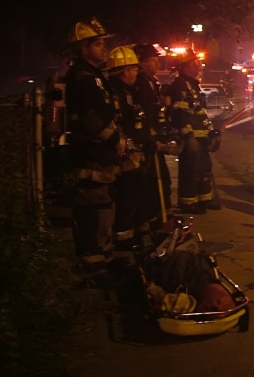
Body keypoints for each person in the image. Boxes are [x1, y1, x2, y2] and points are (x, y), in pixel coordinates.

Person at [62, 18, 123, 283]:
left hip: (100, 154)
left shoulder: (95, 76)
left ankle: (104, 259)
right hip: (89, 154)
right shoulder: (82, 76)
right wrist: (114, 139)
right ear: (84, 49)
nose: (103, 48)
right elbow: (89, 116)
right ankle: (92, 267)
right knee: (92, 210)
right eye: (98, 44)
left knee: (104, 207)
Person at [106, 46, 155, 249]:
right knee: (126, 195)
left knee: (138, 193)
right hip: (125, 155)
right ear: (125, 71)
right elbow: (118, 122)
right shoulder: (115, 93)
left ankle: (135, 232)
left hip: (135, 152)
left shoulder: (129, 91)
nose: (136, 72)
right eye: (134, 69)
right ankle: (123, 237)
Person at [169, 48, 219, 214]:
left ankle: (204, 199)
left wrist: (210, 130)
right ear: (184, 67)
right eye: (194, 63)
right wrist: (188, 135)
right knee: (190, 170)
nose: (197, 65)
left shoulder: (193, 85)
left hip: (201, 136)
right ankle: (188, 202)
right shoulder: (179, 85)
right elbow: (179, 112)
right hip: (191, 137)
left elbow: (200, 112)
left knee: (204, 167)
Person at [134, 43, 173, 222]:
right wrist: (151, 137)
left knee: (161, 179)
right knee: (154, 180)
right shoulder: (142, 83)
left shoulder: (150, 82)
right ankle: (157, 219)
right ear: (142, 63)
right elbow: (146, 112)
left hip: (155, 137)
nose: (157, 63)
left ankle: (162, 216)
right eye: (152, 60)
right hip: (149, 140)